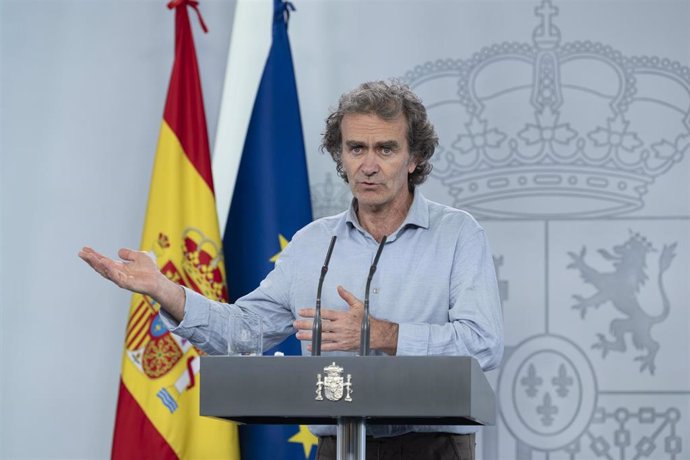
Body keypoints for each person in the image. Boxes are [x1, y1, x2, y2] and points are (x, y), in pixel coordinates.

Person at [80, 80, 503, 460]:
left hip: (430, 450)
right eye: (356, 148)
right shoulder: (312, 243)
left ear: (414, 158)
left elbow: (483, 343)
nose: (368, 165)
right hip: (335, 446)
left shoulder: (458, 234)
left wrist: (383, 334)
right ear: (341, 155)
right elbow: (243, 330)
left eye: (385, 149)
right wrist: (163, 289)